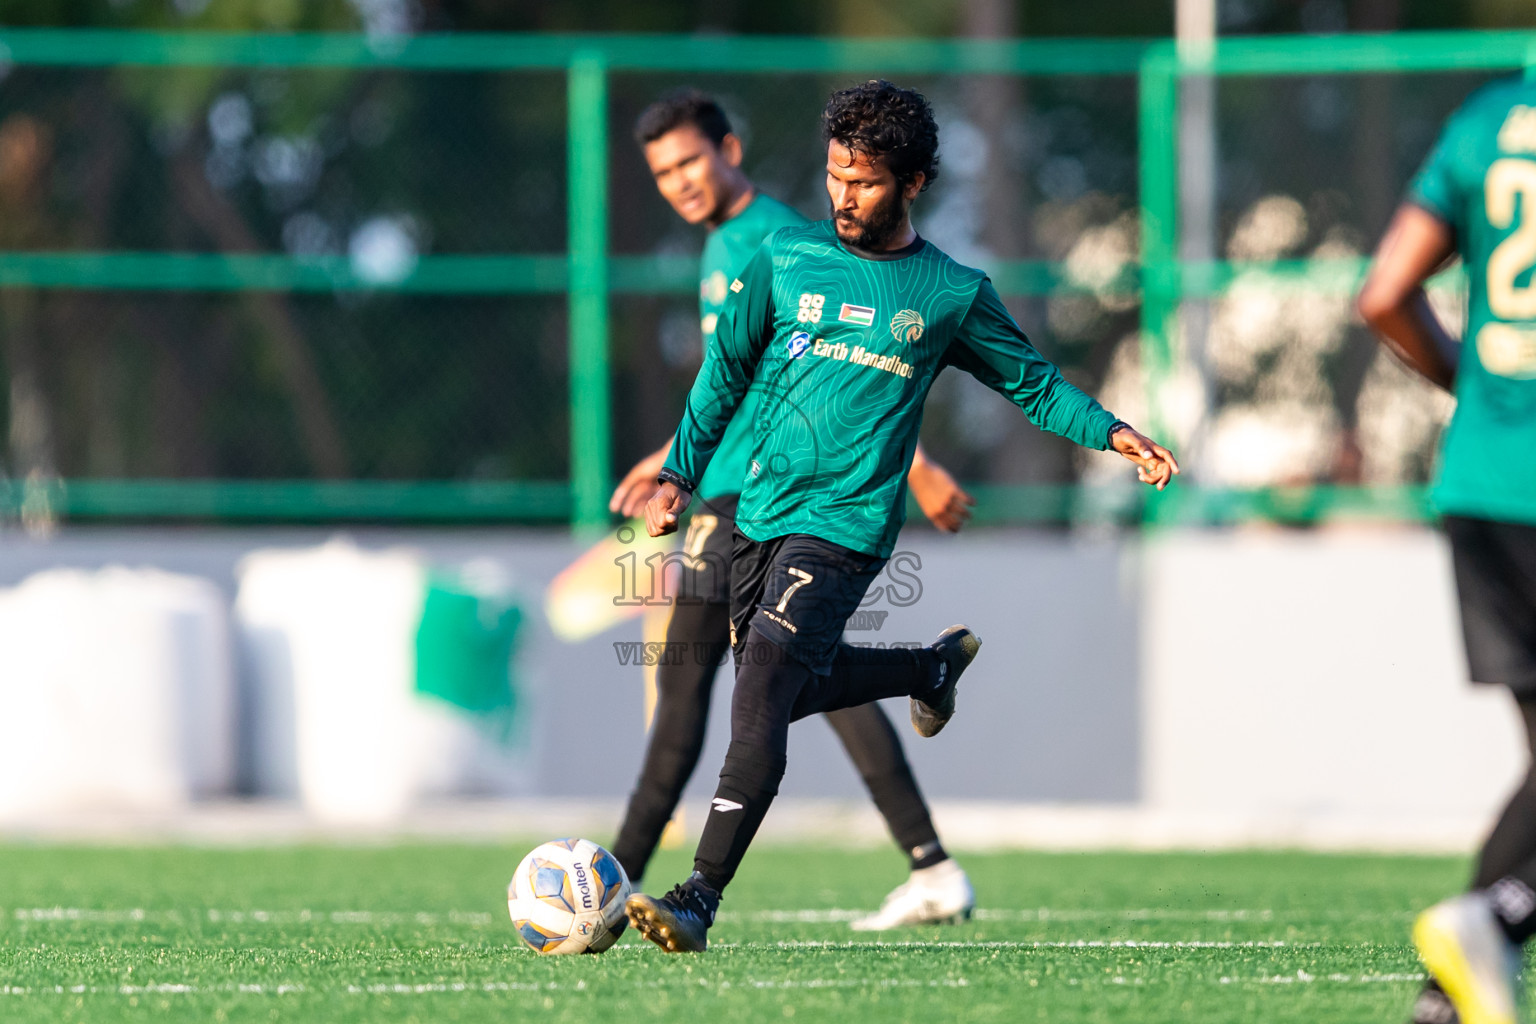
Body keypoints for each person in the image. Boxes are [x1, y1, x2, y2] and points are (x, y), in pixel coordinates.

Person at [623, 80, 1178, 953]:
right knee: (793, 683)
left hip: (845, 530)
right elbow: (724, 372)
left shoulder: (949, 292)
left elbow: (1030, 383)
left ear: (913, 181)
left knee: (763, 686)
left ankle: (698, 898)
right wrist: (680, 477)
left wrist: (1115, 433)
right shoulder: (786, 257)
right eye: (837, 176)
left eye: (867, 181)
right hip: (758, 516)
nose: (845, 197)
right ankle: (925, 668)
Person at [610, 90, 977, 931]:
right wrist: (667, 462)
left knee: (726, 687)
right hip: (728, 489)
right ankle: (931, 856)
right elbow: (747, 377)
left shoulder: (778, 238)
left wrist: (916, 466)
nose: (679, 183)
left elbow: (861, 363)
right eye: (663, 173)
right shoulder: (725, 245)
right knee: (785, 679)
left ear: (729, 149)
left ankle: (622, 878)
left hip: (756, 501)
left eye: (691, 162)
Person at [1359, 76, 1536, 1024]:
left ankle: (1447, 996)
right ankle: (1495, 926)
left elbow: (1385, 293)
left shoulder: (1483, 121)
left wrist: (1476, 395)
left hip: (1482, 480)